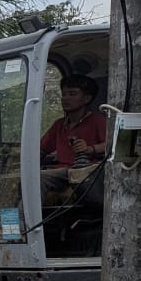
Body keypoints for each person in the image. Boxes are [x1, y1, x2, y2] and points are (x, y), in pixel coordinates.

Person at [39, 73, 107, 207]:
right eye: (64, 94)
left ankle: (26, 224)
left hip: (86, 172)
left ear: (86, 98)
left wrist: (90, 149)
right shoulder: (59, 124)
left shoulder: (98, 121)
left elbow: (111, 146)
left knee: (38, 178)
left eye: (72, 94)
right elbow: (42, 148)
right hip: (63, 172)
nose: (65, 98)